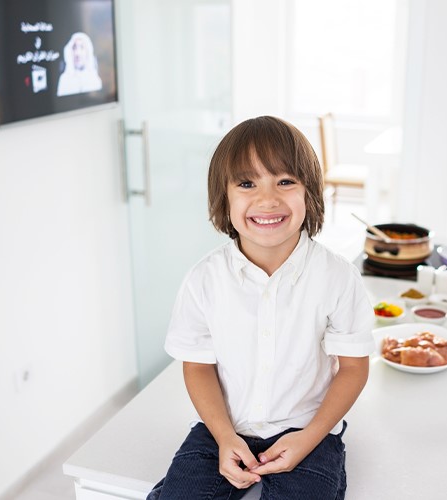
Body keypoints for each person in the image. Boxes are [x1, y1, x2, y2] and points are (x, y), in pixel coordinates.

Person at [147, 116, 375, 499]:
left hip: (308, 431)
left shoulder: (337, 277)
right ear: (224, 196)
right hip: (223, 427)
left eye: (285, 181)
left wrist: (309, 438)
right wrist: (222, 435)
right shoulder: (204, 278)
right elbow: (198, 365)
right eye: (247, 183)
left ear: (310, 193)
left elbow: (353, 368)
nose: (267, 199)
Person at [56, 32, 103, 96]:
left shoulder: (95, 79)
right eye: (74, 48)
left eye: (82, 47)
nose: (77, 53)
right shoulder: (64, 79)